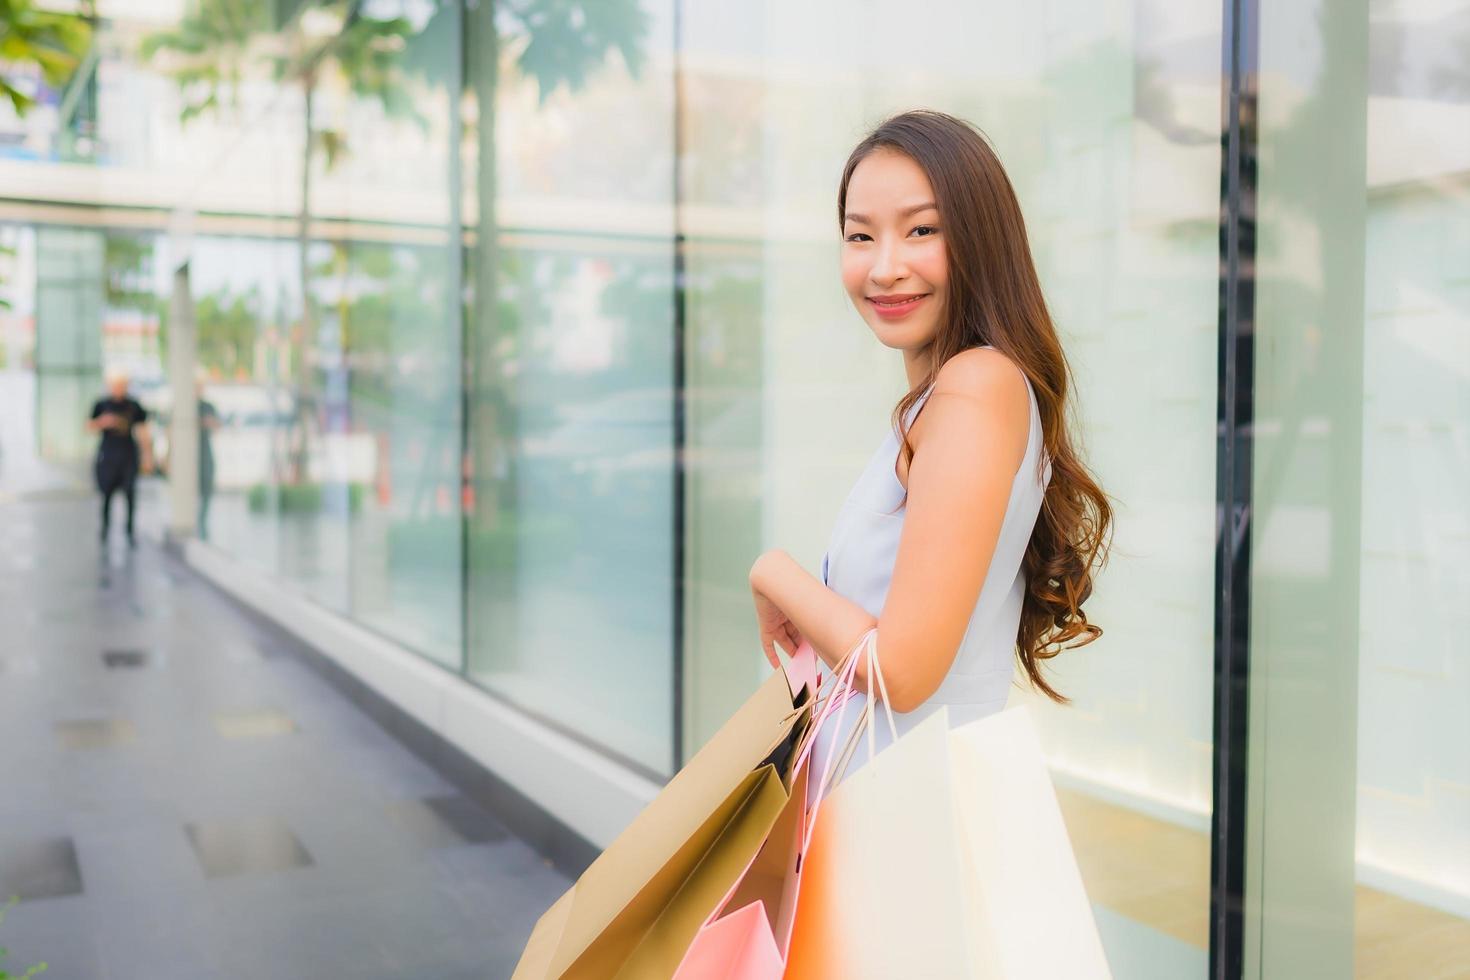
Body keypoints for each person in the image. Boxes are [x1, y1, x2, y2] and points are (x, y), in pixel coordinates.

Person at [746, 110, 1113, 782]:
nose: (885, 268)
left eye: (921, 230)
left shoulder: (976, 386)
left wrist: (775, 573)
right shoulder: (944, 399)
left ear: (980, 240)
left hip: (908, 829)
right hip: (888, 809)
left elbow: (903, 672)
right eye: (861, 236)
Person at [88, 371, 153, 546]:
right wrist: (103, 422)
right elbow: (88, 426)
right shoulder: (101, 405)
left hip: (128, 455)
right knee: (106, 495)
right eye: (115, 385)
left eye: (122, 385)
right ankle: (105, 530)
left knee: (130, 494)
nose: (119, 389)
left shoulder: (134, 405)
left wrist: (148, 456)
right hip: (108, 455)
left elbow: (143, 430)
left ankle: (130, 531)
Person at [197, 384, 220, 539]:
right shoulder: (183, 406)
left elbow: (218, 426)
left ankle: (202, 524)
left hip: (205, 453)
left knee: (206, 490)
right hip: (190, 456)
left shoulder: (208, 407)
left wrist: (208, 423)